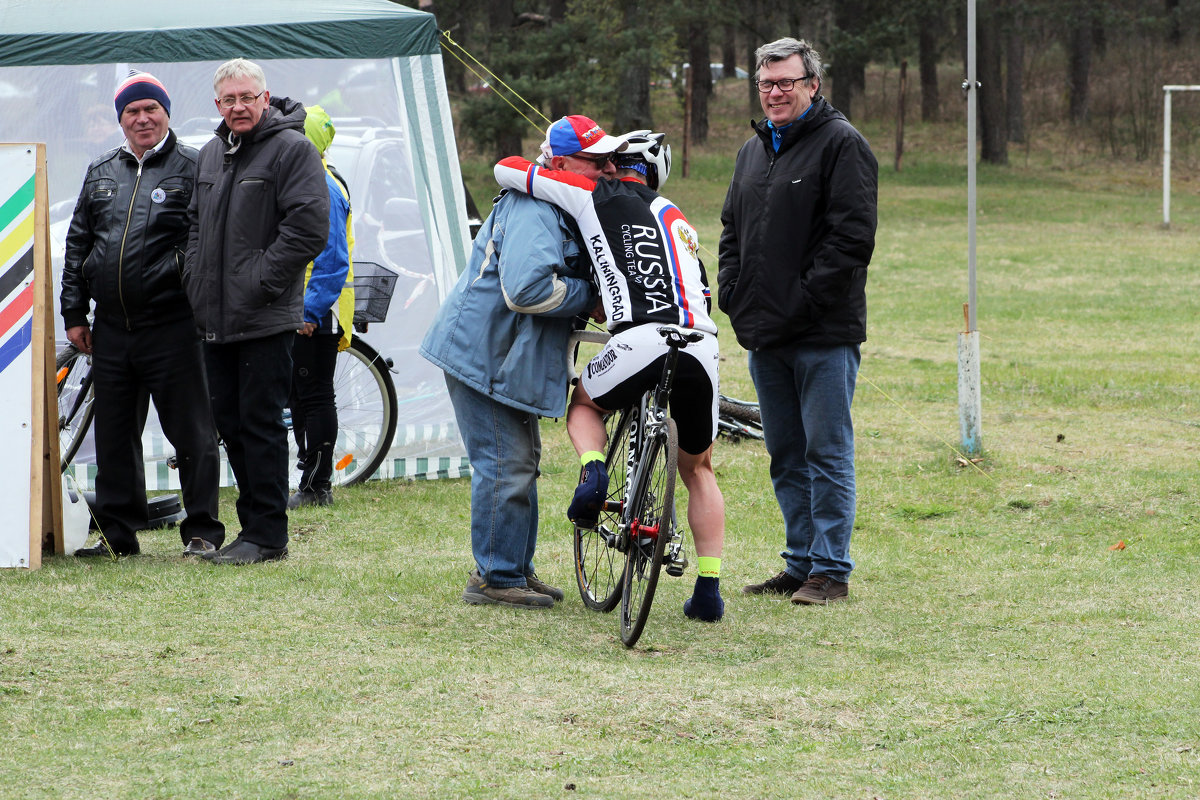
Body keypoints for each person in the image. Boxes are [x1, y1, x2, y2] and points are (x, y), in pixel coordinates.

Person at [493, 131, 727, 622]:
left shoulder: (591, 193)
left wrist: (554, 166)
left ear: (614, 168)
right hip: (702, 343)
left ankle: (595, 468)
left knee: (584, 403)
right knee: (699, 469)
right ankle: (709, 590)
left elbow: (506, 168)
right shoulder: (678, 217)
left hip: (640, 336)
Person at [420, 115, 618, 609]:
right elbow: (527, 291)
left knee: (520, 462)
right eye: (596, 162)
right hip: (481, 354)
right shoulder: (534, 205)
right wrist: (591, 294)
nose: (608, 169)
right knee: (505, 465)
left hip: (497, 354)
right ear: (563, 161)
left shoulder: (555, 200)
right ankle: (495, 577)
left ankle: (514, 570)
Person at [718, 37, 878, 605]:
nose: (775, 93)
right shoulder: (753, 150)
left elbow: (852, 240)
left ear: (812, 84)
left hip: (822, 334)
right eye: (766, 83)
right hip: (766, 334)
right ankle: (800, 561)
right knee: (785, 451)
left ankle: (830, 570)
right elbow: (732, 229)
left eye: (786, 82)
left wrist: (801, 302)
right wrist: (733, 293)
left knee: (825, 451)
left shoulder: (842, 145)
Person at [62, 70, 225, 559]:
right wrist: (74, 312)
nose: (142, 118)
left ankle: (201, 532)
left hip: (173, 326)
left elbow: (204, 241)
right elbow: (77, 246)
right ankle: (117, 534)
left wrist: (172, 274)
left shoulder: (194, 167)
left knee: (193, 431)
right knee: (113, 436)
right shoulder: (101, 170)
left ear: (166, 112)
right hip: (111, 329)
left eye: (150, 108)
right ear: (121, 120)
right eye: (131, 111)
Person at [184, 58, 330, 565]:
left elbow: (309, 228)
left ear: (266, 99)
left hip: (265, 315)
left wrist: (259, 281)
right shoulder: (209, 155)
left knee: (260, 423)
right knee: (230, 424)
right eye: (230, 99)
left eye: (248, 97)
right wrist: (195, 281)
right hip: (215, 317)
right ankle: (253, 530)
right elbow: (196, 227)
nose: (239, 106)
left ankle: (268, 535)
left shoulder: (292, 150)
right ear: (217, 105)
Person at [286, 105, 355, 509]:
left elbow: (331, 259)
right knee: (301, 394)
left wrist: (309, 311)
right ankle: (309, 476)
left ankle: (317, 485)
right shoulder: (314, 178)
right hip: (308, 305)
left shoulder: (322, 186)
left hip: (317, 308)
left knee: (313, 395)